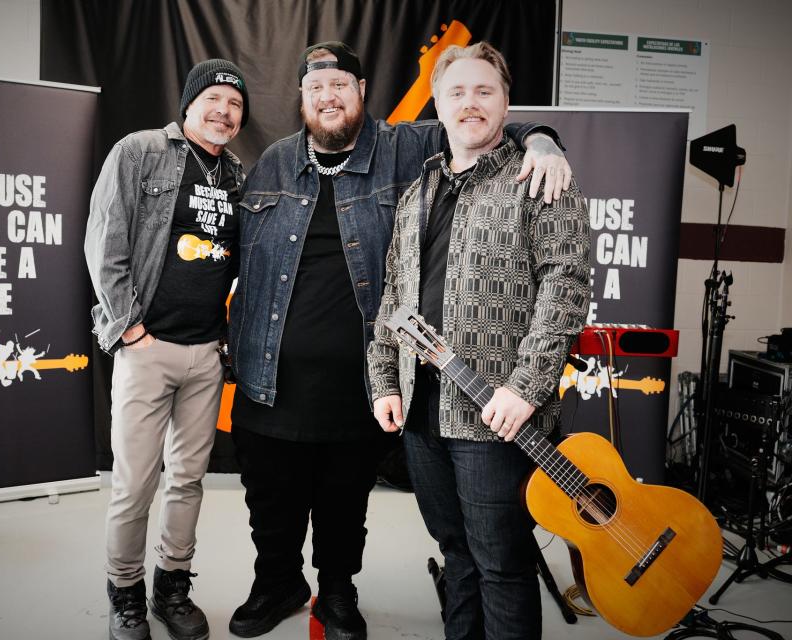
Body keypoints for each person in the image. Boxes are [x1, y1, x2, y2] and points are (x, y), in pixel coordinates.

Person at [226, 41, 575, 640]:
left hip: (423, 395)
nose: (327, 96)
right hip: (319, 384)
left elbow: (563, 283)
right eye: (315, 88)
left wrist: (543, 139)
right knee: (282, 506)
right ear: (301, 99)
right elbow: (391, 294)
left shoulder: (414, 151)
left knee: (468, 549)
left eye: (340, 85)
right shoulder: (286, 166)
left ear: (363, 92)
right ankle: (278, 584)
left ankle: (337, 593)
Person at [368, 42, 591, 640]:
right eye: (457, 92)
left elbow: (565, 288)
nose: (470, 104)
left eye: (484, 91)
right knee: (457, 555)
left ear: (507, 102)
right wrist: (385, 380)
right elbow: (394, 297)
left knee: (502, 564)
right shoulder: (417, 192)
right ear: (438, 106)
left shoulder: (540, 178)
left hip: (496, 417)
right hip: (422, 412)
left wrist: (527, 388)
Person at [85, 59, 249, 640]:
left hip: (206, 353)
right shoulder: (140, 152)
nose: (225, 112)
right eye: (215, 98)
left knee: (187, 480)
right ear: (189, 101)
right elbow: (105, 242)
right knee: (134, 483)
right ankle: (123, 591)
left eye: (235, 104)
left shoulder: (237, 175)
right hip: (146, 348)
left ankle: (171, 587)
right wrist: (130, 329)